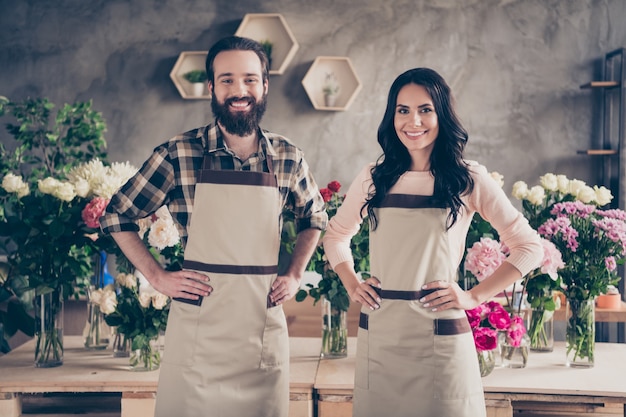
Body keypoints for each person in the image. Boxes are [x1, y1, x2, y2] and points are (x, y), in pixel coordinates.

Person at [100, 36, 327, 417]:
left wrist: (294, 272)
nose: (239, 90)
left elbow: (315, 218)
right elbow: (116, 216)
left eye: (250, 79)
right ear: (211, 87)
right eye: (227, 80)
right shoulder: (177, 153)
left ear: (265, 85)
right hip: (198, 336)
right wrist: (158, 276)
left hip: (261, 330)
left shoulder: (288, 157)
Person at [322, 68, 543, 417]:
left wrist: (473, 296)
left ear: (442, 114)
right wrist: (352, 283)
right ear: (391, 116)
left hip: (441, 338)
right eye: (402, 110)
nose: (414, 121)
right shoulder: (373, 178)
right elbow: (335, 236)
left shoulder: (467, 178)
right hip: (381, 338)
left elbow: (530, 247)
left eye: (425, 109)